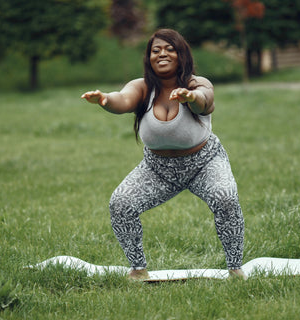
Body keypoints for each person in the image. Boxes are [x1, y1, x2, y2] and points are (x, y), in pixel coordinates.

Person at [81, 29, 246, 280]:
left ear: (182, 55)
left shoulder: (196, 83)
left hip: (205, 162)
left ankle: (235, 269)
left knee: (225, 197)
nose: (162, 54)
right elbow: (123, 100)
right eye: (155, 50)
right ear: (148, 57)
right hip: (158, 168)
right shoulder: (142, 87)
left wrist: (191, 97)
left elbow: (205, 99)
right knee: (121, 203)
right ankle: (138, 269)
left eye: (169, 49)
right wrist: (105, 99)